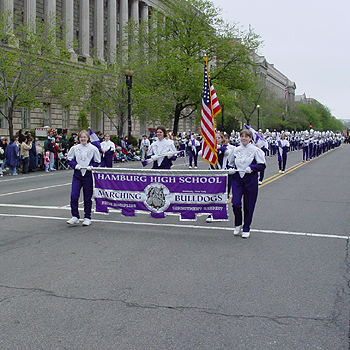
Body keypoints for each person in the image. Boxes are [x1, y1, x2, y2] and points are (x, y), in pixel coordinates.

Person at [227, 129, 266, 238]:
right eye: (242, 136)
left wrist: (252, 168)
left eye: (246, 136)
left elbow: (262, 165)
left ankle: (246, 227)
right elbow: (230, 164)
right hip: (237, 179)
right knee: (235, 203)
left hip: (250, 179)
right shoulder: (235, 150)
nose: (244, 138)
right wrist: (230, 170)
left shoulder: (255, 150)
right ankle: (238, 223)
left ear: (250, 138)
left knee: (249, 205)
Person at [66, 130, 101, 226]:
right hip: (77, 174)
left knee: (87, 197)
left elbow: (97, 161)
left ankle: (87, 217)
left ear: (88, 138)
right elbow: (69, 159)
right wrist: (75, 165)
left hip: (88, 175)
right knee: (74, 195)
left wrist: (92, 166)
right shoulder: (75, 148)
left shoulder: (93, 148)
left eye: (85, 137)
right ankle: (75, 216)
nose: (83, 139)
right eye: (81, 137)